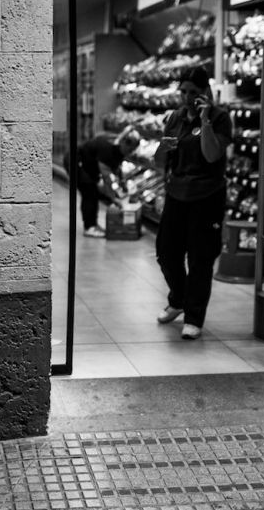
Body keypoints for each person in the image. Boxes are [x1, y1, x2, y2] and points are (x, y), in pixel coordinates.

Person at [153, 67, 232, 340]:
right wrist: (163, 148)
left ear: (205, 92)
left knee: (200, 259)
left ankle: (194, 317)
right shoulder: (175, 118)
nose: (187, 97)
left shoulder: (221, 118)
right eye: (183, 91)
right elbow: (159, 162)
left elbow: (211, 155)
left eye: (193, 92)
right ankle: (178, 299)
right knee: (166, 253)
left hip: (207, 196)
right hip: (177, 194)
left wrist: (206, 119)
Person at [72, 125, 142, 238]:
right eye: (130, 149)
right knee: (89, 192)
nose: (130, 153)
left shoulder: (118, 146)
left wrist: (123, 184)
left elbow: (116, 168)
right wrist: (113, 198)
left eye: (133, 150)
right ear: (124, 143)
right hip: (76, 161)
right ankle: (89, 227)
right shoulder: (108, 148)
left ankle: (93, 225)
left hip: (88, 166)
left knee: (92, 192)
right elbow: (107, 178)